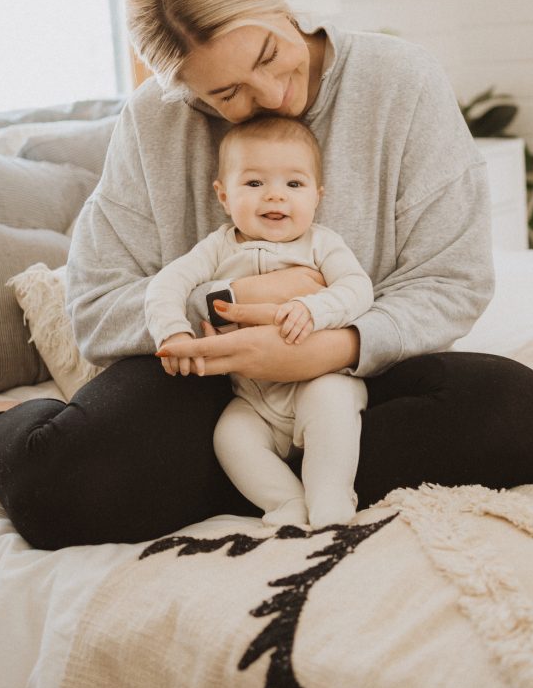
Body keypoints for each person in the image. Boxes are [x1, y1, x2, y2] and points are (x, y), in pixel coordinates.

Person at [0, 0, 533, 550]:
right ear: (186, 93)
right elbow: (93, 304)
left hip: (359, 375)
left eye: (269, 53)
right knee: (59, 492)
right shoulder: (154, 122)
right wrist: (231, 308)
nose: (271, 97)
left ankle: (233, 478)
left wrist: (330, 344)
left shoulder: (400, 81)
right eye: (226, 95)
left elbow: (453, 280)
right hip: (213, 384)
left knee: (519, 416)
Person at [149, 115, 373, 529]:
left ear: (317, 196)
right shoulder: (216, 247)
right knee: (230, 437)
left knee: (332, 408)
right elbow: (165, 285)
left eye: (294, 184)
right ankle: (284, 502)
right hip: (253, 396)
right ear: (223, 195)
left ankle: (330, 499)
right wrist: (173, 331)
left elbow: (359, 289)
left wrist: (313, 309)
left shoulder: (321, 243)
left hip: (320, 378)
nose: (275, 197)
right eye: (254, 184)